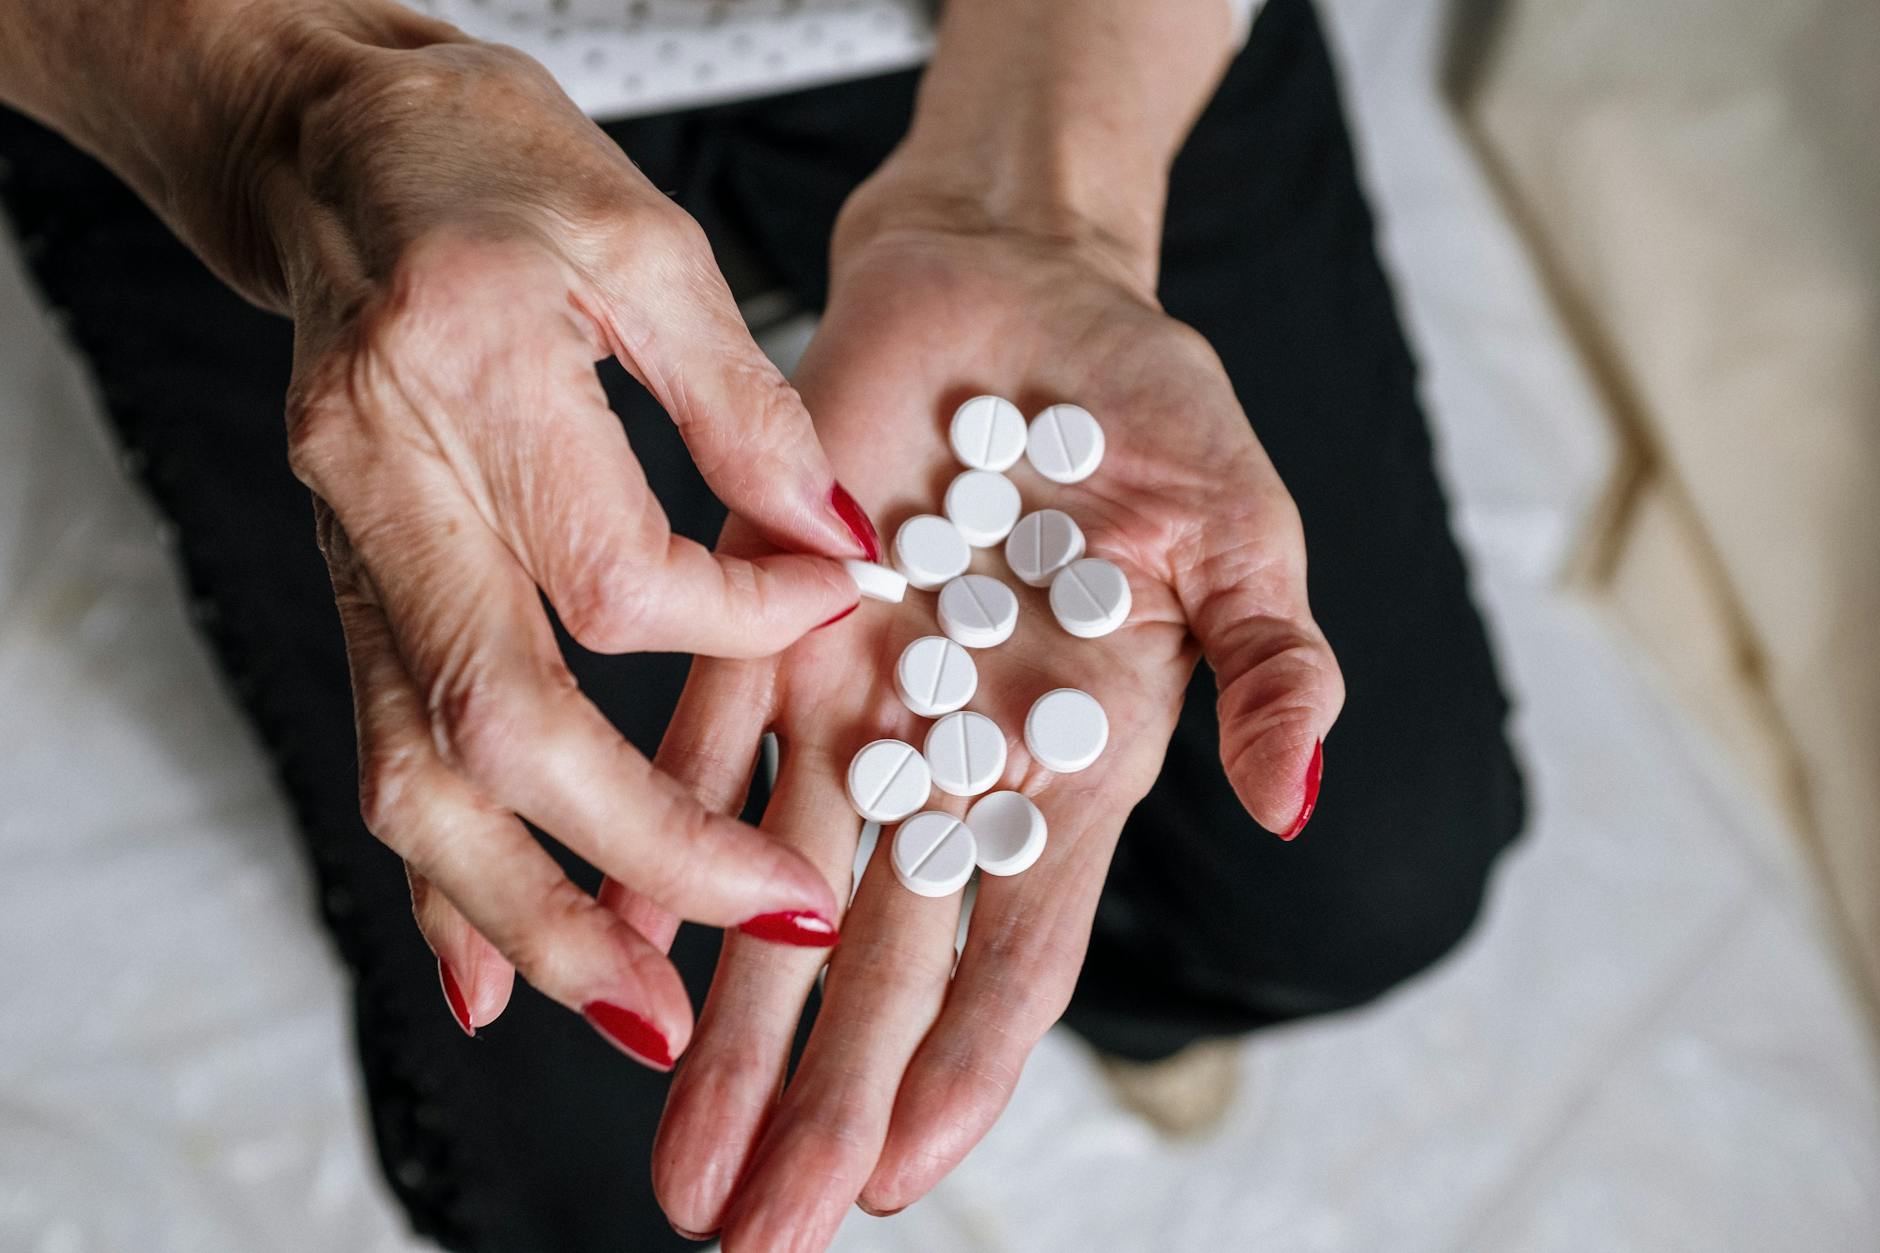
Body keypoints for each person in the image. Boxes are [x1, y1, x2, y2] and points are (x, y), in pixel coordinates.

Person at [0, 0, 1526, 1248]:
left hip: (992, 39)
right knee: (588, 1174)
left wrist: (1046, 208)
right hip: (298, 74)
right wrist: (286, 110)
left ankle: (1096, 988)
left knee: (1363, 880)